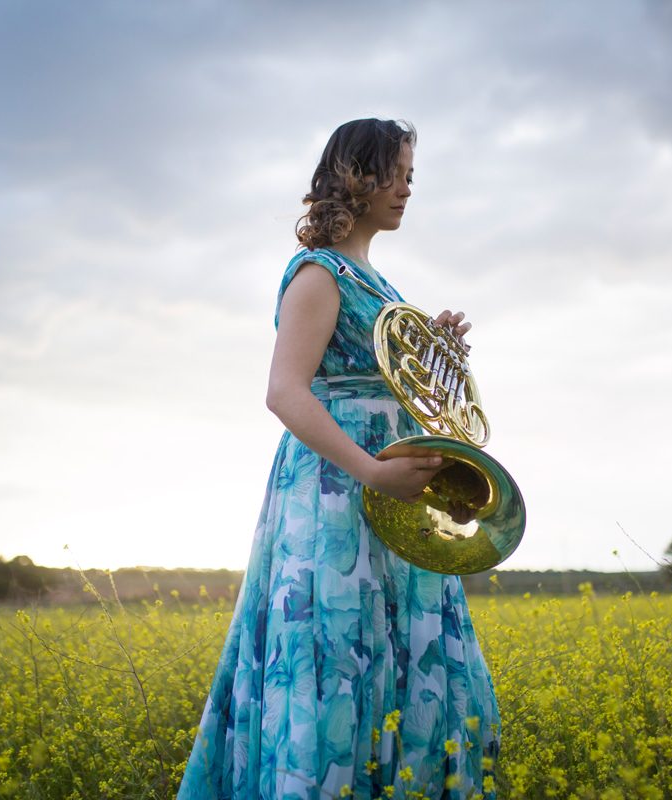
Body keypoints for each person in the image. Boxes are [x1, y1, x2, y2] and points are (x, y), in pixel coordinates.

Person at [176, 119, 500, 799]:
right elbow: (284, 391)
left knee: (398, 664)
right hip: (337, 494)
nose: (408, 190)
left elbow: (395, 386)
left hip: (392, 498)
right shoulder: (319, 273)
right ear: (358, 174)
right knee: (335, 664)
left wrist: (437, 354)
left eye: (413, 177)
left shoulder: (379, 283)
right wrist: (375, 472)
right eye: (398, 174)